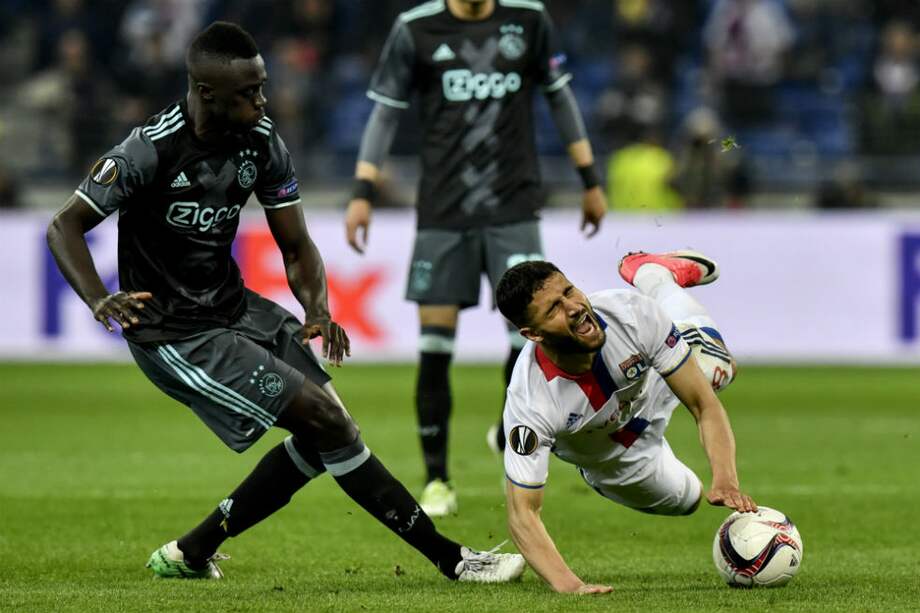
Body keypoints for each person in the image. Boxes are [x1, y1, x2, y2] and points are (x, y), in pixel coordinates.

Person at [45, 21, 525, 584]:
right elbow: (64, 227)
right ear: (206, 93)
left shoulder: (261, 141)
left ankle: (191, 552)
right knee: (329, 425)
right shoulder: (148, 149)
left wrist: (317, 307)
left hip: (235, 308)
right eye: (248, 92)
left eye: (261, 86)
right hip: (176, 333)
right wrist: (99, 299)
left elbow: (295, 245)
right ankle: (453, 560)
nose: (262, 99)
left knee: (330, 428)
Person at [344, 0, 608, 517]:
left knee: (533, 334)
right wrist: (362, 190)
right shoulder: (414, 29)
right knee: (434, 344)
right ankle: (438, 479)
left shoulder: (528, 21)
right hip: (444, 212)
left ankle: (507, 432)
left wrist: (590, 178)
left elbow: (560, 98)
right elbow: (384, 114)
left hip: (513, 207)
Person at [494, 251, 758, 593]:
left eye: (569, 291)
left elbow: (703, 405)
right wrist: (570, 585)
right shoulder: (530, 401)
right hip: (615, 460)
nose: (573, 306)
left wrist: (725, 479)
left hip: (653, 386)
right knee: (687, 500)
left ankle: (653, 276)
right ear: (533, 334)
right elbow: (522, 514)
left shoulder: (629, 314)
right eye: (553, 309)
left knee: (717, 368)